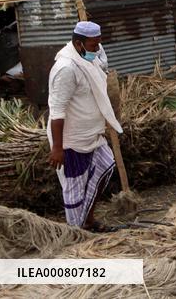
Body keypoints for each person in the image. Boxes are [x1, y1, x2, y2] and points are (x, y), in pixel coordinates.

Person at [46, 21, 123, 231]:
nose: (97, 49)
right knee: (75, 188)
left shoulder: (88, 58)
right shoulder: (66, 69)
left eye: (99, 44)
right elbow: (57, 110)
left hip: (93, 136)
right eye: (93, 45)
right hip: (72, 141)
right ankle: (76, 232)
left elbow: (102, 69)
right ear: (79, 44)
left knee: (105, 167)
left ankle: (88, 219)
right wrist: (57, 148)